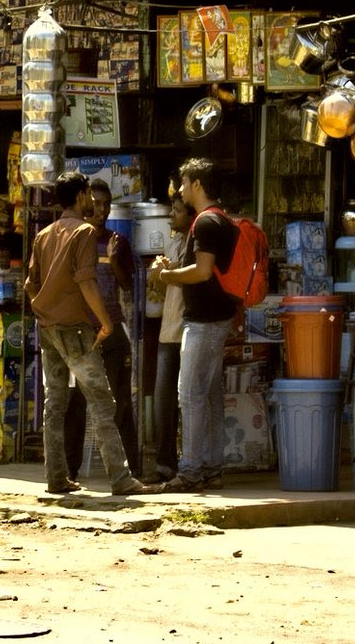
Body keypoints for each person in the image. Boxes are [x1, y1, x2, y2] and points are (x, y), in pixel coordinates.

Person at [25, 170, 156, 497]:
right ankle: (120, 478)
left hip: (49, 328)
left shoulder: (44, 235)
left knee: (54, 404)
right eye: (88, 194)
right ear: (81, 196)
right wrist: (106, 322)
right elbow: (86, 281)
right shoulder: (83, 232)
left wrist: (44, 312)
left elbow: (30, 284)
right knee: (101, 400)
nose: (91, 201)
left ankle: (56, 477)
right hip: (76, 329)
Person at [149, 158, 239, 493]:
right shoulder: (219, 220)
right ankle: (211, 467)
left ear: (198, 184)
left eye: (184, 183)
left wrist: (165, 275)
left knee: (190, 395)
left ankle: (190, 470)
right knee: (210, 395)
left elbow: (202, 272)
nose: (181, 190)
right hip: (216, 317)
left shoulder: (205, 223)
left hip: (204, 321)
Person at [63, 178, 140, 480]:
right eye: (97, 204)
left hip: (113, 325)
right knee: (76, 401)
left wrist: (115, 256)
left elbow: (125, 284)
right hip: (83, 329)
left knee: (121, 399)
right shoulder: (73, 239)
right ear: (84, 203)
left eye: (107, 205)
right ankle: (69, 469)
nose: (102, 210)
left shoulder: (118, 241)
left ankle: (131, 468)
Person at [151, 196, 193, 481]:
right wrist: (160, 274)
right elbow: (163, 287)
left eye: (177, 211)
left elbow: (191, 276)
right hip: (169, 330)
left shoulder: (194, 242)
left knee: (189, 401)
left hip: (188, 330)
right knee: (164, 400)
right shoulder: (174, 242)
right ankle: (165, 464)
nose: (171, 216)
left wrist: (166, 272)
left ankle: (189, 463)